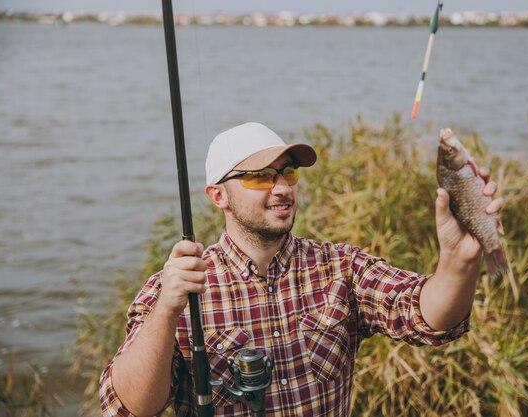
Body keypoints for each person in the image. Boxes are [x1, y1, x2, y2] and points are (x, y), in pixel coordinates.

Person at [99, 122, 504, 417]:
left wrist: (458, 259)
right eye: (259, 177)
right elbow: (127, 408)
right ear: (218, 195)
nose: (281, 188)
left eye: (287, 173)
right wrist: (168, 312)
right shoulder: (175, 287)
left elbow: (426, 317)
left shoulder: (340, 266)